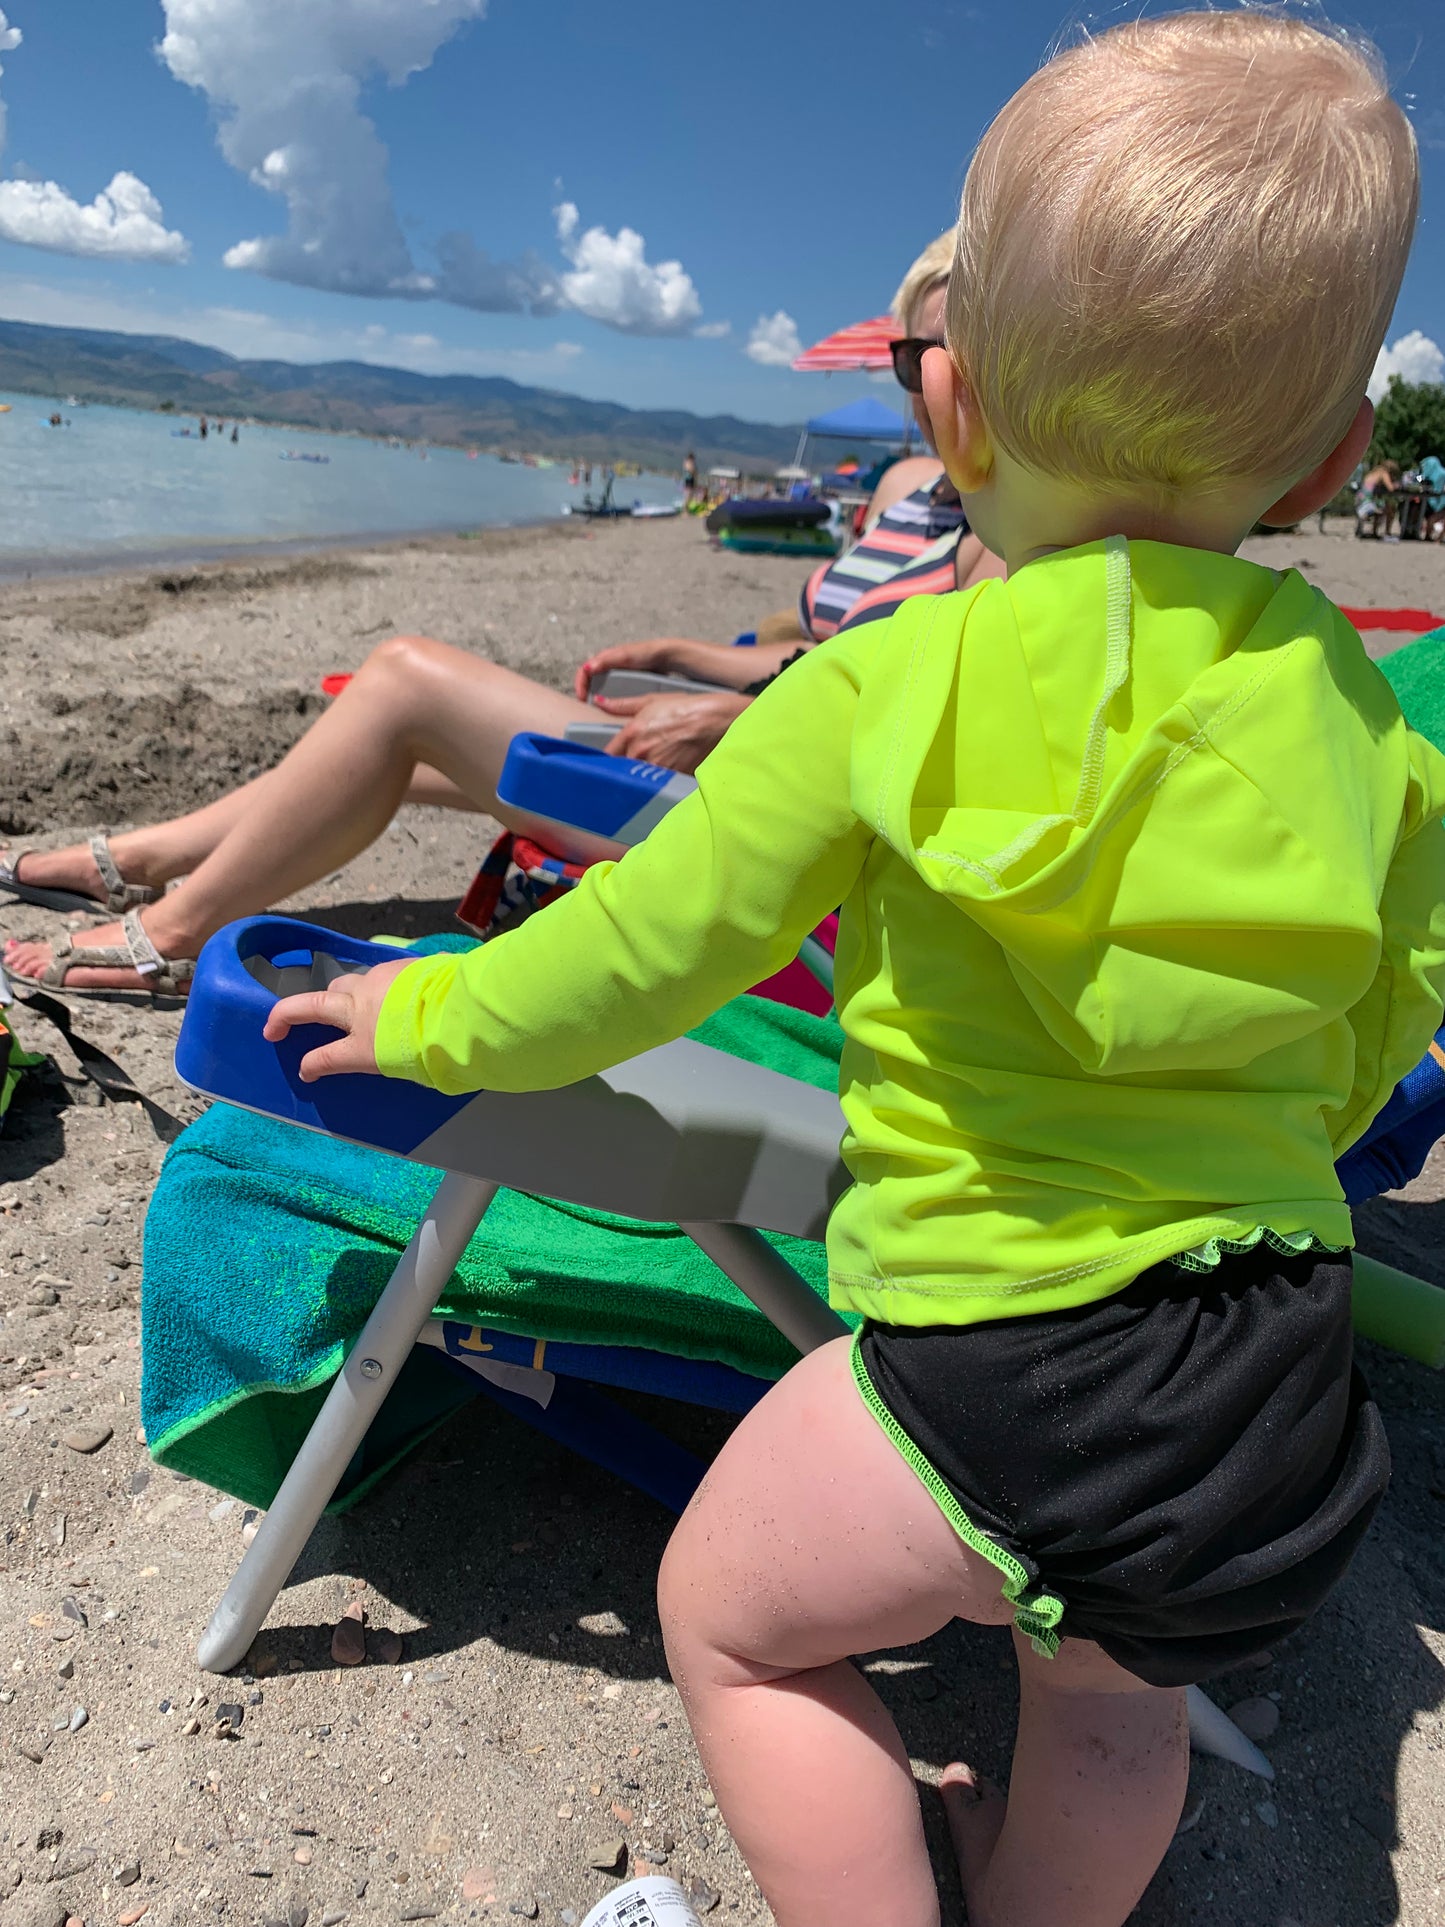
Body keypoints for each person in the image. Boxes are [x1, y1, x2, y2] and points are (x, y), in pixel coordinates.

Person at [261, 15, 1445, 1926]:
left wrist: (428, 1008)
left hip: (1014, 1359)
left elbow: (648, 950)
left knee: (731, 1619)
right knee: (1115, 1718)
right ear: (1326, 463)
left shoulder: (884, 682)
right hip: (1279, 1372)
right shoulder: (1374, 732)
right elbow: (1399, 1005)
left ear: (952, 410)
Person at [1, 237, 1002, 995]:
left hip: (769, 817)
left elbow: (946, 723)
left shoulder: (1008, 534)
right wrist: (682, 655)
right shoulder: (916, 489)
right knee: (394, 744)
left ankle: (175, 931)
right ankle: (154, 856)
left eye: (944, 354)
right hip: (760, 746)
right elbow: (815, 655)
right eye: (908, 355)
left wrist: (738, 721)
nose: (924, 383)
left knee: (401, 680)